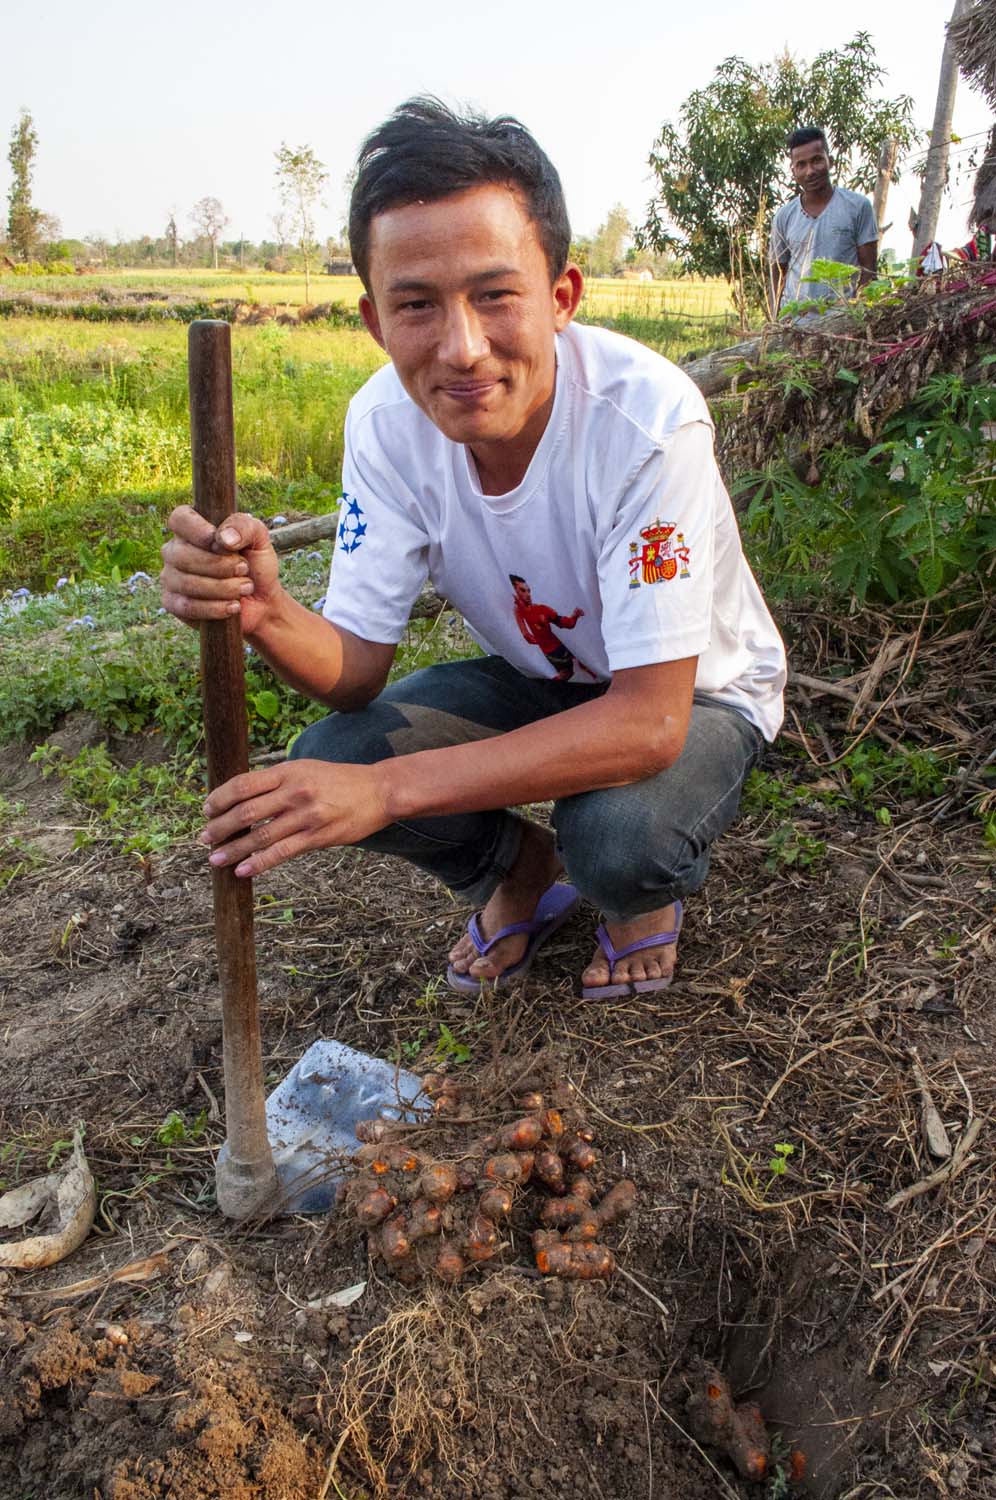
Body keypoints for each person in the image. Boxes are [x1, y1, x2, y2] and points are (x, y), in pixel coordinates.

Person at [161, 98, 786, 999]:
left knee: (615, 842)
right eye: (417, 305)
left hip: (695, 692)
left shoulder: (647, 423)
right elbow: (357, 672)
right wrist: (262, 611)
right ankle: (522, 870)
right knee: (338, 755)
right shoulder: (383, 423)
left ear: (561, 297)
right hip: (546, 673)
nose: (462, 350)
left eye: (496, 296)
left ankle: (633, 897)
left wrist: (393, 792)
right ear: (376, 320)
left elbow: (651, 719)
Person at [769, 127, 878, 315]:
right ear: (793, 170)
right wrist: (775, 321)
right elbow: (776, 277)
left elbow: (869, 273)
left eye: (817, 160)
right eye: (801, 165)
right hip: (795, 327)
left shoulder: (858, 207)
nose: (810, 171)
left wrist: (855, 314)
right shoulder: (784, 217)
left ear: (830, 161)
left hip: (842, 326)